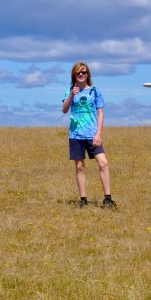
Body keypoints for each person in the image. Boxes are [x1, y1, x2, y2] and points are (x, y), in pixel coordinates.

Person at [62, 62, 117, 209]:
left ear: (88, 75)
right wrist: (71, 95)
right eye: (78, 73)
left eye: (84, 72)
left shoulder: (95, 91)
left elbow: (100, 113)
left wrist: (98, 133)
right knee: (79, 166)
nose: (81, 75)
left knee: (103, 162)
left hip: (93, 134)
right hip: (76, 134)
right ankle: (83, 199)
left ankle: (108, 198)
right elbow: (65, 109)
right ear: (74, 75)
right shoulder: (70, 91)